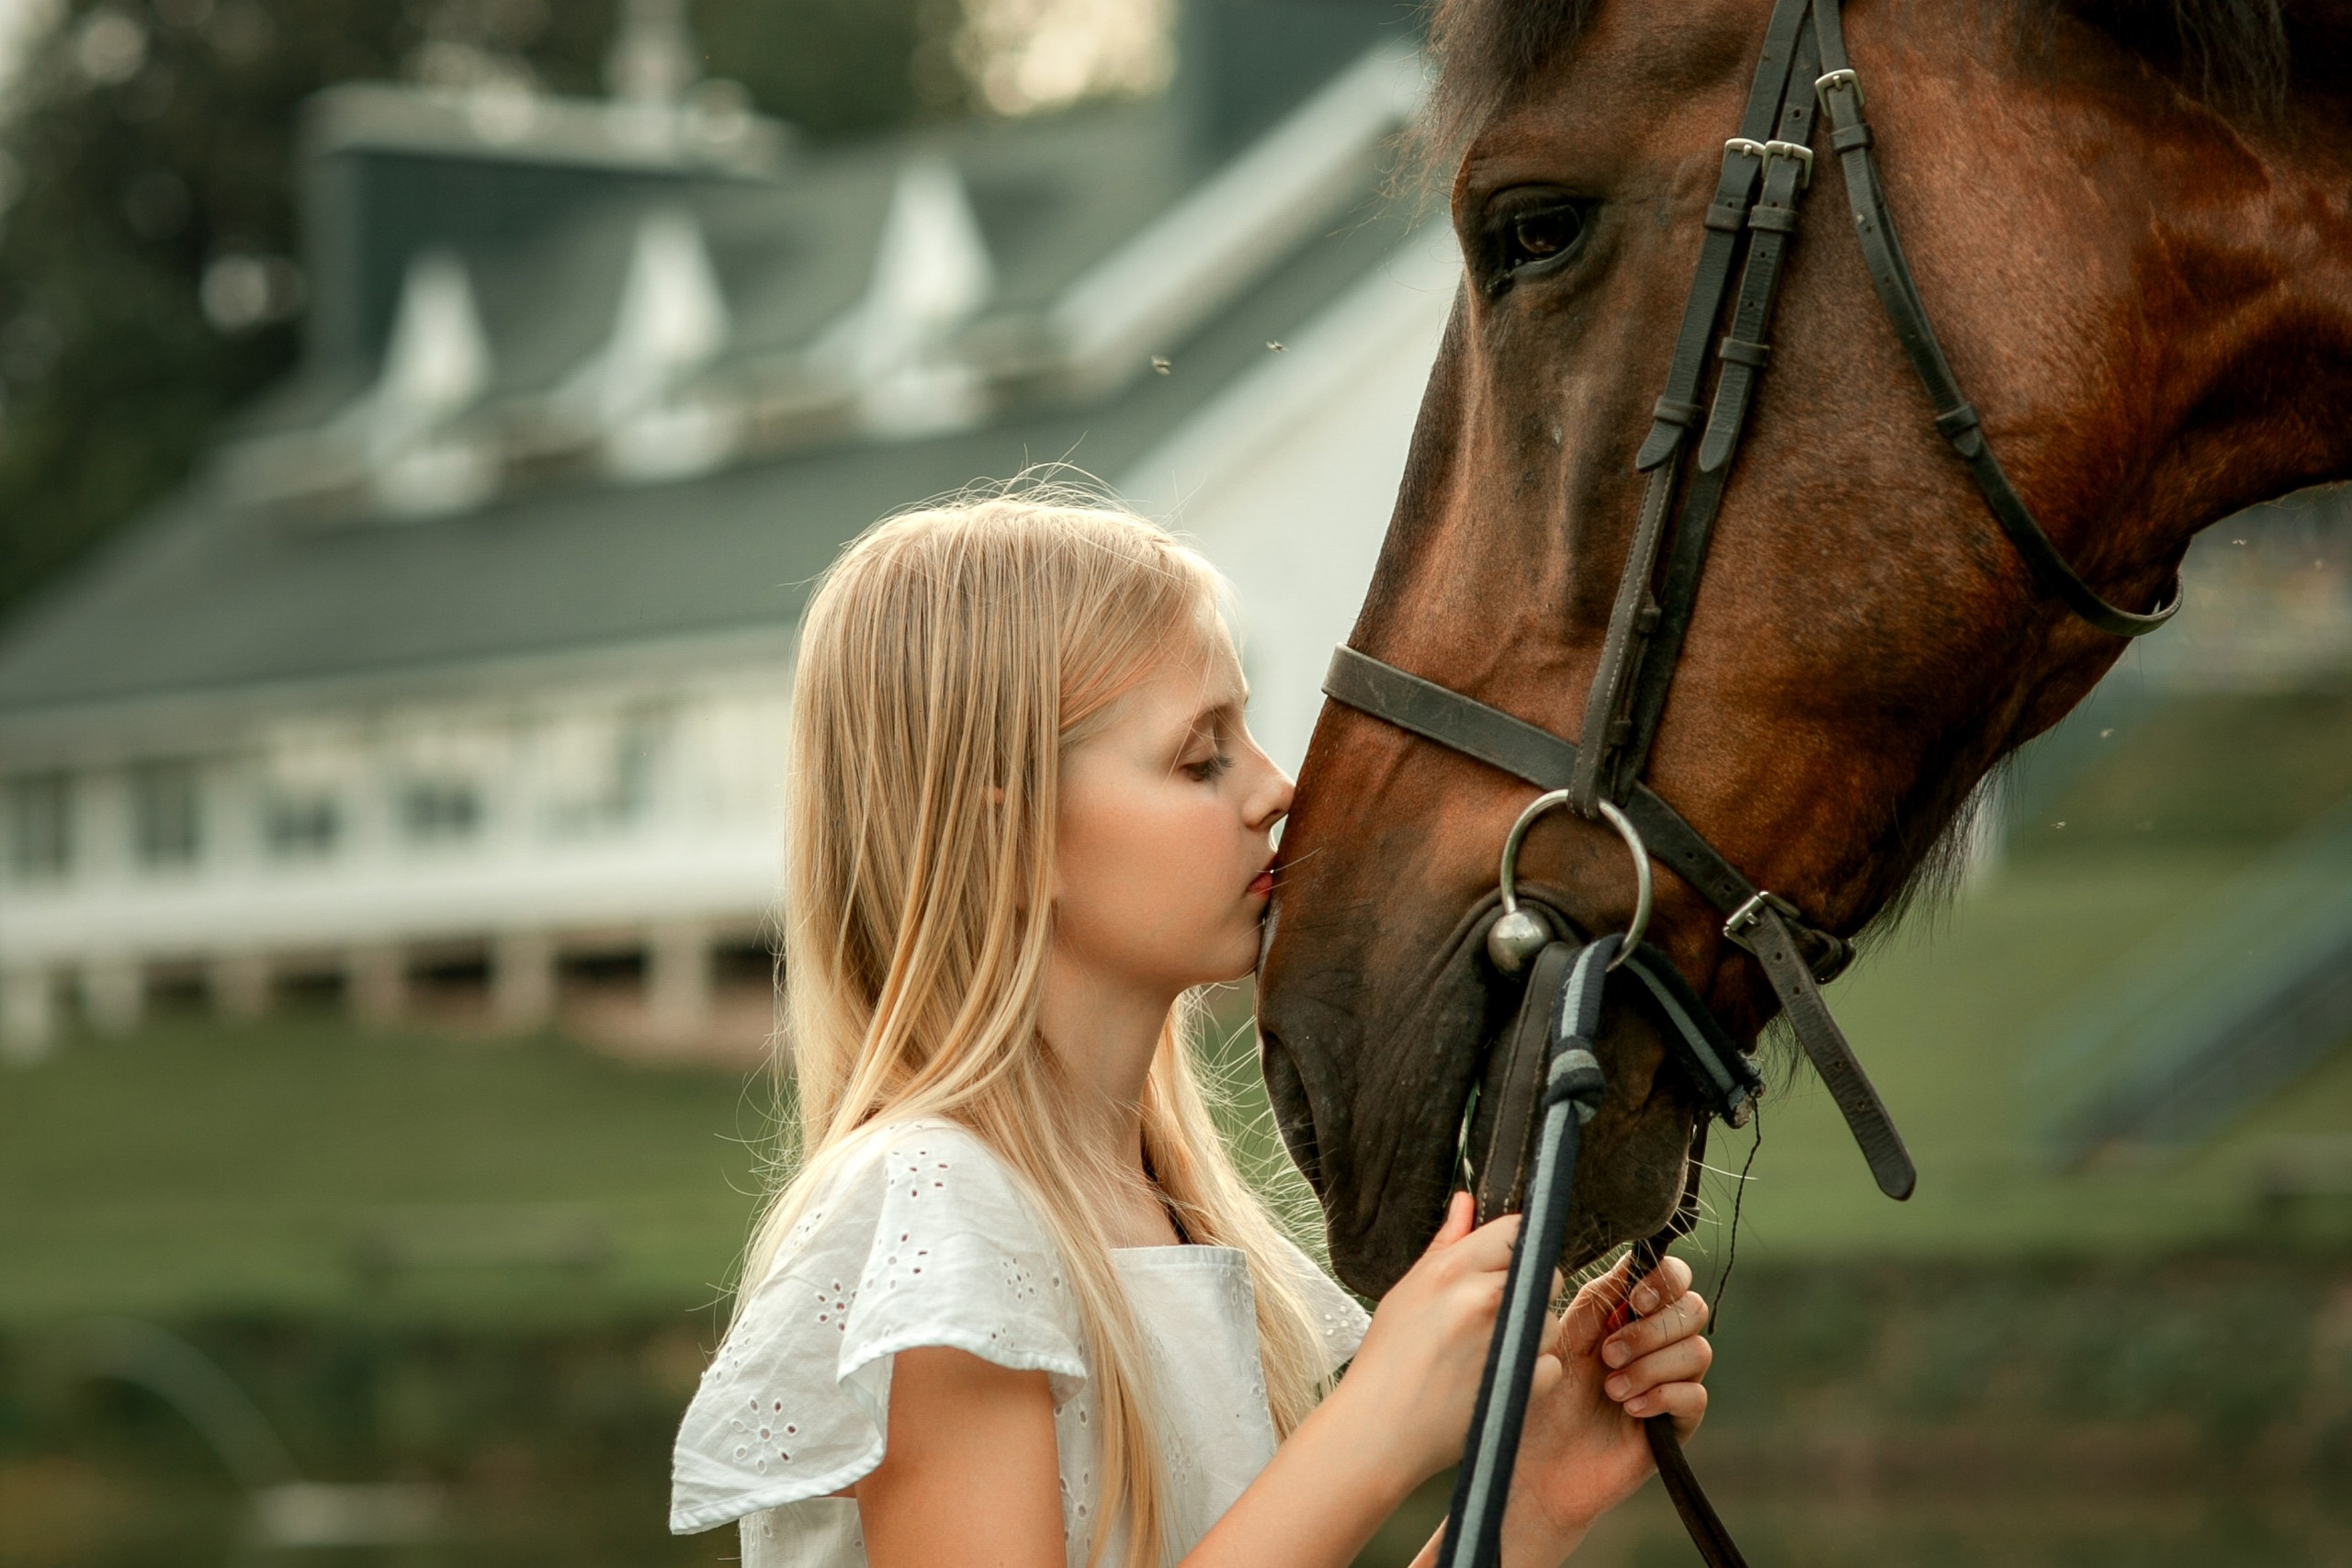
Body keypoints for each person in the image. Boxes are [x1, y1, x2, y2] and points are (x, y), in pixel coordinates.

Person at [669, 490, 1714, 1568]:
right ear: (1012, 831)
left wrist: (1528, 1499)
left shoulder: (1167, 1209)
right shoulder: (941, 1214)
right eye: (1199, 756)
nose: (1278, 788)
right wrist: (1373, 1430)